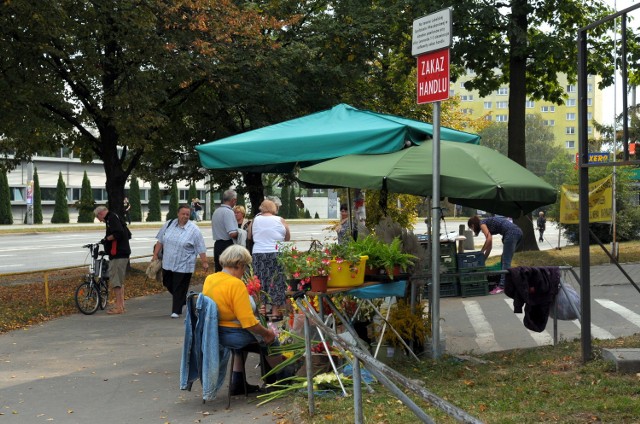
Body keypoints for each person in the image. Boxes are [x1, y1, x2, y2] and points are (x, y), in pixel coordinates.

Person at [202, 245, 277, 395]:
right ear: (239, 265)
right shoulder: (236, 284)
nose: (244, 272)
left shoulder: (211, 279)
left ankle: (238, 382)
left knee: (246, 342)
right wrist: (267, 333)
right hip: (231, 334)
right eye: (244, 267)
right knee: (270, 341)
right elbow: (248, 322)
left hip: (215, 332)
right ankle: (280, 381)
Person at [153, 204, 209, 318]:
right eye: (183, 214)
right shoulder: (169, 224)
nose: (185, 216)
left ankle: (176, 311)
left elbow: (200, 247)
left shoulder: (194, 230)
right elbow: (160, 240)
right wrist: (155, 255)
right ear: (178, 214)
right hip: (168, 262)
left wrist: (204, 261)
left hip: (184, 264)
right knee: (167, 282)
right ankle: (183, 300)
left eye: (187, 214)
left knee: (178, 286)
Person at [247, 199, 291, 321]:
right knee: (276, 280)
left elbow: (249, 236)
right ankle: (276, 312)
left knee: (259, 280)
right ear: (274, 209)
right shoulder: (280, 220)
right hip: (276, 252)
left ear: (261, 208)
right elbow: (287, 236)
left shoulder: (255, 220)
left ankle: (262, 310)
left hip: (259, 253)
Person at [468, 215, 523, 295]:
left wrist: (481, 252)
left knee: (506, 260)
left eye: (471, 228)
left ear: (473, 225)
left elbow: (489, 239)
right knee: (504, 259)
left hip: (511, 233)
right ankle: (507, 282)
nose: (473, 230)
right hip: (517, 232)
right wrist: (483, 260)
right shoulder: (486, 223)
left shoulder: (482, 224)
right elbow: (489, 246)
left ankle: (502, 286)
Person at [94, 205, 131, 314]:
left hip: (118, 254)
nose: (99, 219)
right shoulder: (115, 216)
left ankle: (119, 307)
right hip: (122, 253)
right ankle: (121, 306)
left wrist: (106, 239)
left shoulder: (111, 218)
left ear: (100, 213)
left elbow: (118, 233)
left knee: (116, 282)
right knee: (119, 281)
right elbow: (126, 233)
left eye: (97, 217)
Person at [211, 189, 238, 272]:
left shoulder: (217, 211)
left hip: (218, 245)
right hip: (227, 245)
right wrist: (241, 232)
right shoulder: (228, 212)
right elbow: (232, 233)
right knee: (229, 272)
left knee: (219, 272)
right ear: (233, 200)